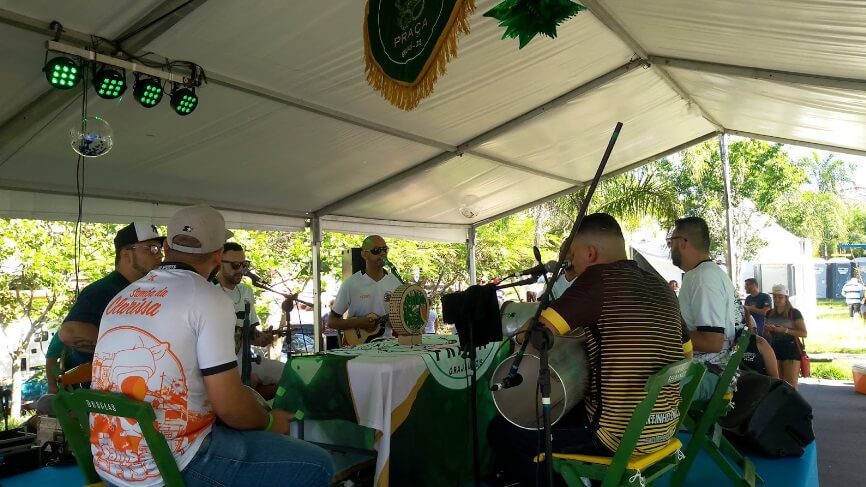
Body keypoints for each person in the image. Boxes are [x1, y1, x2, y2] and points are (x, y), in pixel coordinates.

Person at [90, 204, 333, 486]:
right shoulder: (208, 298)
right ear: (218, 255)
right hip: (169, 465)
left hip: (110, 463)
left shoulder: (122, 297)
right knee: (317, 465)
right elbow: (229, 408)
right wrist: (271, 422)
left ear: (167, 246)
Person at [490, 214, 685, 484]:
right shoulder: (660, 285)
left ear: (590, 253)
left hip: (615, 437)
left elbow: (531, 336)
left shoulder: (597, 279)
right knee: (569, 413)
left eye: (570, 255)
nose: (568, 265)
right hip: (663, 428)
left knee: (503, 431)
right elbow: (686, 352)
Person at [58, 222, 165, 368]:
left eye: (160, 249)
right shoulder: (103, 290)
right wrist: (129, 346)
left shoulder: (145, 290)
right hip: (99, 387)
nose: (160, 254)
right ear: (126, 255)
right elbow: (69, 332)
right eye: (152, 249)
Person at [669, 216, 742, 400]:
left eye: (672, 241)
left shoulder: (704, 279)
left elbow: (712, 342)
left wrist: (663, 333)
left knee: (633, 387)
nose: (670, 247)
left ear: (683, 243)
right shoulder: (705, 274)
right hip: (706, 370)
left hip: (707, 373)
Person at [214, 242, 282, 388]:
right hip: (221, 366)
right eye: (235, 265)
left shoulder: (246, 291)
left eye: (244, 265)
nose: (241, 270)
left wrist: (262, 338)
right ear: (219, 263)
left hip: (246, 360)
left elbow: (251, 335)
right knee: (250, 380)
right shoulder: (209, 291)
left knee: (290, 373)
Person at [328, 235, 401, 343]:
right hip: (358, 345)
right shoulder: (351, 283)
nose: (382, 253)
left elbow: (400, 320)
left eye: (385, 250)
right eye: (376, 250)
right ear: (364, 254)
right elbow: (332, 321)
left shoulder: (395, 282)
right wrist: (358, 323)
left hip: (388, 343)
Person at [764, 284, 807, 390]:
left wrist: (785, 330)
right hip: (774, 348)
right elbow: (765, 335)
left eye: (780, 297)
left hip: (791, 350)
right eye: (775, 297)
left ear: (786, 298)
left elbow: (803, 333)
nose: (777, 300)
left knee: (790, 384)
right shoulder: (769, 313)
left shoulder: (794, 313)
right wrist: (768, 330)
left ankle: (792, 406)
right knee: (776, 383)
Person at [740, 314, 779, 379]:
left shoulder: (760, 343)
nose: (755, 333)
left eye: (754, 330)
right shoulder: (726, 343)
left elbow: (774, 378)